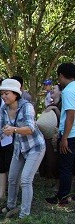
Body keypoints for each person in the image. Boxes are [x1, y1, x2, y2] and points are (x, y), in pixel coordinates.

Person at [0, 79, 45, 218]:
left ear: (16, 94)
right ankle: (11, 206)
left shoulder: (26, 106)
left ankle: (24, 215)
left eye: (6, 93)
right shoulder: (4, 109)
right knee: (12, 178)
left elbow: (30, 129)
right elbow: (2, 132)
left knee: (26, 179)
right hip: (19, 147)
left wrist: (14, 130)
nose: (3, 96)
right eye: (2, 94)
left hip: (35, 147)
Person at [46, 62, 75, 205]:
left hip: (70, 135)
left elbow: (70, 115)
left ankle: (62, 196)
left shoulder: (68, 91)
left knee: (65, 167)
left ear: (61, 76)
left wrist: (64, 138)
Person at [38, 84, 61, 187]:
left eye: (54, 89)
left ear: (61, 92)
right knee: (47, 158)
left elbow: (63, 119)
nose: (52, 91)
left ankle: (57, 181)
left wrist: (55, 109)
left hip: (58, 135)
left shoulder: (63, 103)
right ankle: (48, 179)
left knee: (54, 160)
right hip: (48, 134)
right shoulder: (50, 103)